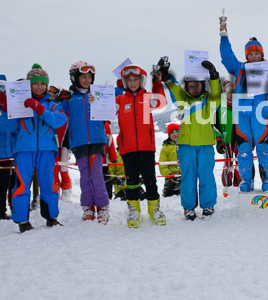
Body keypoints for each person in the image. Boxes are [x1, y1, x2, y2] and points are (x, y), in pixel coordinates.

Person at [156, 56, 221, 220]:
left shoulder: (208, 102)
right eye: (190, 86)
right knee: (188, 177)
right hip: (186, 146)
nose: (194, 88)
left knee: (206, 176)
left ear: (202, 85)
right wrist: (166, 75)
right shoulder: (183, 101)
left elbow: (217, 95)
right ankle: (189, 208)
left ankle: (208, 205)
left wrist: (214, 76)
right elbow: (174, 88)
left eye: (197, 85)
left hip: (205, 145)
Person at [219, 21, 268, 192]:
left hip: (260, 112)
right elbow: (227, 56)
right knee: (244, 148)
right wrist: (224, 36)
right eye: (251, 54)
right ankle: (246, 180)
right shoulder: (239, 68)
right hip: (242, 113)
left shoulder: (267, 69)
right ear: (247, 56)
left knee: (263, 146)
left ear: (261, 55)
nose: (254, 57)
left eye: (257, 53)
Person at [10, 64, 67, 232]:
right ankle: (22, 221)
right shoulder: (19, 103)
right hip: (23, 149)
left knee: (48, 183)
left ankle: (51, 217)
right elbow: (11, 127)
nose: (40, 87)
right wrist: (7, 108)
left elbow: (59, 121)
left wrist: (39, 108)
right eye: (36, 83)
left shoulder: (52, 103)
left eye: (43, 83)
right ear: (29, 85)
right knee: (22, 184)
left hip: (46, 148)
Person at [116, 64, 167, 228]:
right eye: (129, 80)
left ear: (141, 80)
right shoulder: (120, 100)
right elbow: (103, 111)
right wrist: (96, 100)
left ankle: (154, 209)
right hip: (127, 148)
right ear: (124, 81)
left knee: (150, 179)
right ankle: (134, 210)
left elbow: (161, 102)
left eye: (135, 80)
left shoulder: (147, 97)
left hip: (146, 147)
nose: (132, 83)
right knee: (131, 181)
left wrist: (157, 82)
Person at [62, 61, 111, 223]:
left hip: (97, 140)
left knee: (96, 174)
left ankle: (102, 207)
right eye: (83, 77)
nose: (87, 80)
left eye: (90, 77)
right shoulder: (70, 99)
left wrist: (98, 101)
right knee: (85, 175)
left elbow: (108, 113)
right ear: (74, 78)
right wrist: (58, 96)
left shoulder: (97, 95)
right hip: (79, 142)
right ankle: (88, 206)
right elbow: (57, 110)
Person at [214, 81, 241, 197]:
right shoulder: (221, 108)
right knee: (228, 163)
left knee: (241, 162)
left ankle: (240, 184)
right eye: (230, 92)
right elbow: (215, 125)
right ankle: (227, 187)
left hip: (240, 139)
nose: (232, 95)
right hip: (227, 140)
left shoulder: (241, 106)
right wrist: (218, 140)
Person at [0, 74, 16, 220]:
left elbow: (12, 128)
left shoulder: (10, 110)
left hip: (7, 153)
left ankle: (2, 211)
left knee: (5, 184)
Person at [160, 123, 181, 197]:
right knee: (168, 193)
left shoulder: (186, 146)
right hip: (171, 178)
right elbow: (162, 166)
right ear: (169, 134)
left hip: (185, 176)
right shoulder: (165, 148)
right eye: (172, 132)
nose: (175, 134)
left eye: (177, 131)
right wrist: (169, 175)